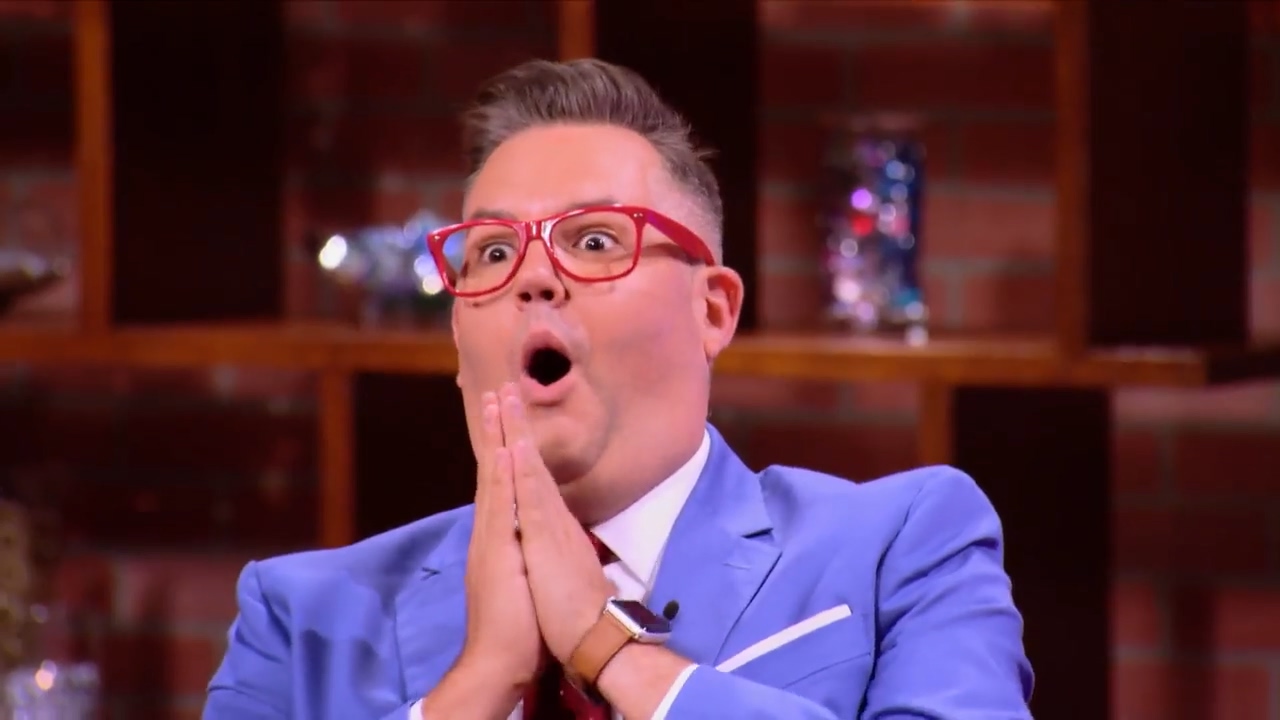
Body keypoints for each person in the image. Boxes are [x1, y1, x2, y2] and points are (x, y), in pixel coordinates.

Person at [203, 58, 1034, 720]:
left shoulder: (904, 546)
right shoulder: (299, 618)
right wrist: (479, 684)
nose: (532, 278)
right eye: (493, 252)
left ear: (714, 311)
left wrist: (605, 647)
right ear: (458, 335)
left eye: (596, 241)